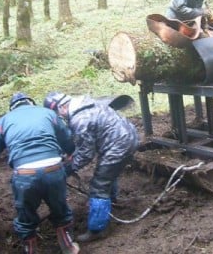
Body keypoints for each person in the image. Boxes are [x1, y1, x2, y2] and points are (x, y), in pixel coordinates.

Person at [0, 92, 80, 254]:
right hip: (53, 169)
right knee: (60, 208)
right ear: (31, 103)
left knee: (25, 215)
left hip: (25, 174)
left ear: (12, 107)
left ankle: (30, 250)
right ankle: (68, 246)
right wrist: (69, 153)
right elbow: (67, 140)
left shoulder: (4, 120)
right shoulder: (48, 113)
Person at [43, 92, 140, 243]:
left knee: (99, 186)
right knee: (106, 173)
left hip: (118, 145)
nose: (58, 118)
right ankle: (111, 200)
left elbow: (86, 154)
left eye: (56, 114)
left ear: (62, 107)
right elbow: (84, 143)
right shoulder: (86, 104)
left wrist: (67, 169)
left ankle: (97, 229)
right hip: (127, 136)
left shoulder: (80, 119)